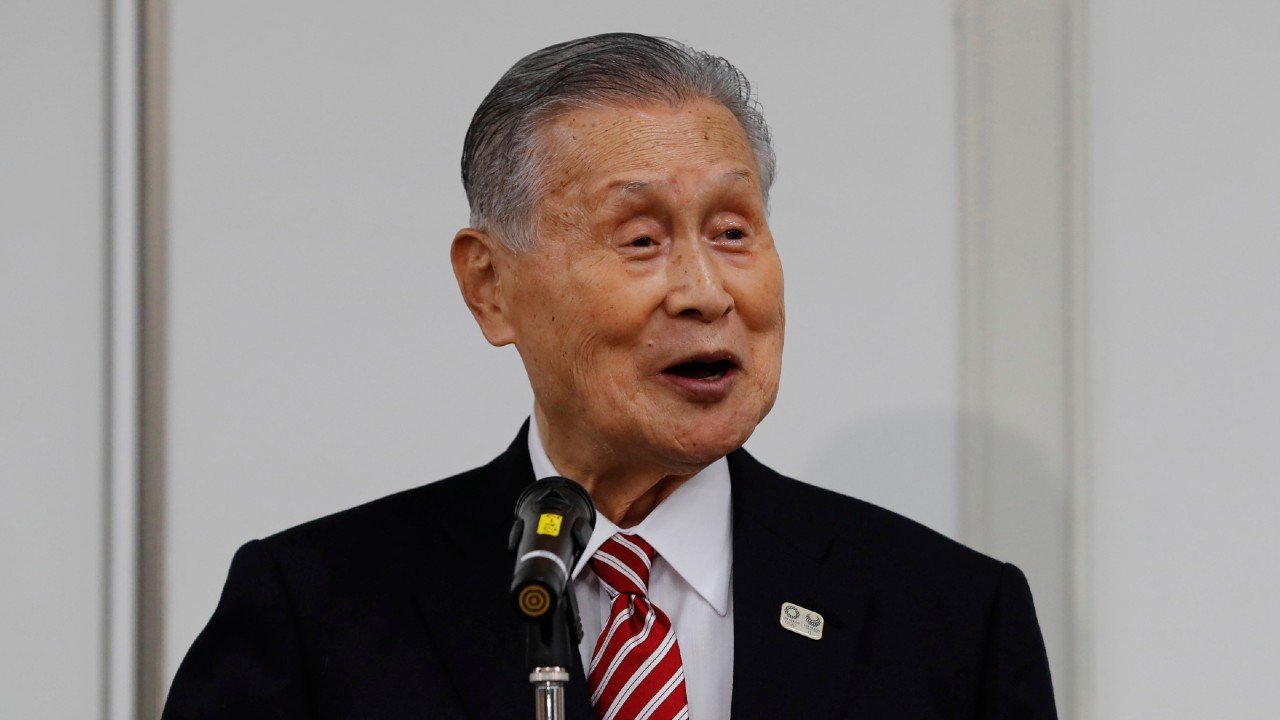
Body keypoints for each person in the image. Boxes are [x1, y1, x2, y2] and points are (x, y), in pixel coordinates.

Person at [162, 33, 1057, 720]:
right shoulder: (315, 612)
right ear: (491, 286)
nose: (706, 291)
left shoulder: (949, 621)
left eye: (734, 230)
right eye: (641, 239)